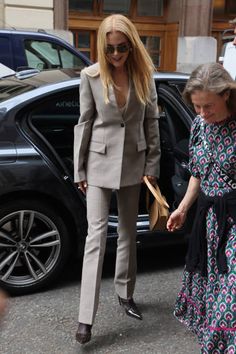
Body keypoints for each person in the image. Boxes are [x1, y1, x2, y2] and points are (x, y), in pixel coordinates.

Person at [73, 14, 160, 344]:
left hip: (133, 162)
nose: (116, 55)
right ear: (102, 46)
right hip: (97, 163)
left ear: (131, 44)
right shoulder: (91, 76)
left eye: (122, 48)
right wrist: (79, 169)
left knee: (127, 232)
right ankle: (85, 319)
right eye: (110, 49)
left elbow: (151, 123)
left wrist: (152, 164)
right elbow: (84, 123)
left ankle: (125, 294)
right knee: (96, 236)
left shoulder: (144, 76)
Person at [167, 62, 236, 353]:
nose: (203, 113)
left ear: (228, 96)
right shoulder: (199, 126)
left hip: (234, 220)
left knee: (229, 296)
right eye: (197, 107)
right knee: (217, 290)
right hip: (209, 221)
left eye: (208, 106)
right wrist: (182, 208)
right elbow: (199, 171)